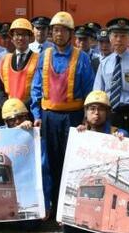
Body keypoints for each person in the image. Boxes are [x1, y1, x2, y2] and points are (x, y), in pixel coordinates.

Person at [30, 11, 95, 210]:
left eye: (63, 30)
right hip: (49, 117)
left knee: (71, 162)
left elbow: (89, 90)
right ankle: (52, 205)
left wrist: (86, 119)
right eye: (55, 30)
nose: (58, 34)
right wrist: (37, 115)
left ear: (71, 33)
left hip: (72, 117)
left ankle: (68, 207)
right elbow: (37, 87)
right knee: (49, 162)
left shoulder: (81, 57)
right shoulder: (44, 56)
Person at [93, 17, 129, 136]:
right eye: (115, 36)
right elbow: (98, 92)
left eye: (123, 36)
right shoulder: (104, 63)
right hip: (110, 113)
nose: (119, 40)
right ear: (110, 38)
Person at [0, 18, 40, 107]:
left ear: (30, 38)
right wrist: (6, 105)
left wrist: (23, 106)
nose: (20, 38)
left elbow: (41, 88)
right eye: (17, 35)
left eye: (24, 35)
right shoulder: (4, 60)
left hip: (31, 109)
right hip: (10, 111)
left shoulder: (39, 60)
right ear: (12, 38)